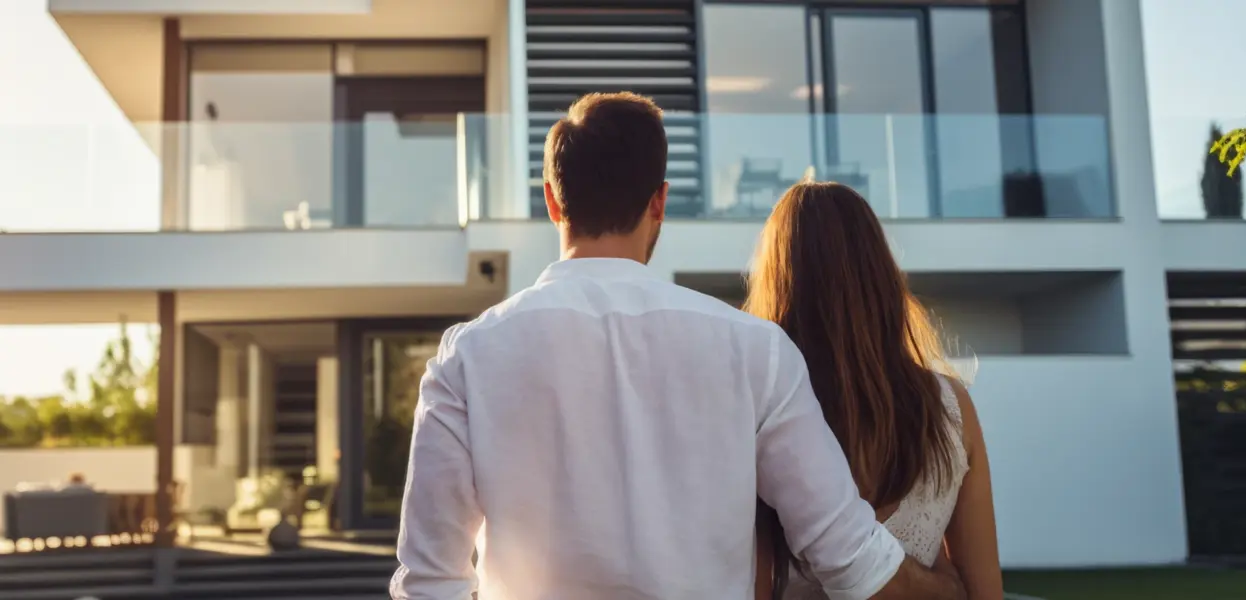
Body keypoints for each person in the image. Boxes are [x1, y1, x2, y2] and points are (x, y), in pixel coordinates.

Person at [391, 92, 964, 599]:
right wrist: (949, 590)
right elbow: (846, 556)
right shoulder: (755, 351)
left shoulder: (468, 356)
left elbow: (430, 582)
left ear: (552, 201)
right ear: (659, 202)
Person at [745, 182, 1002, 600]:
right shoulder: (951, 408)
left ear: (778, 280)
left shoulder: (762, 409)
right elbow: (985, 592)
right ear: (880, 273)